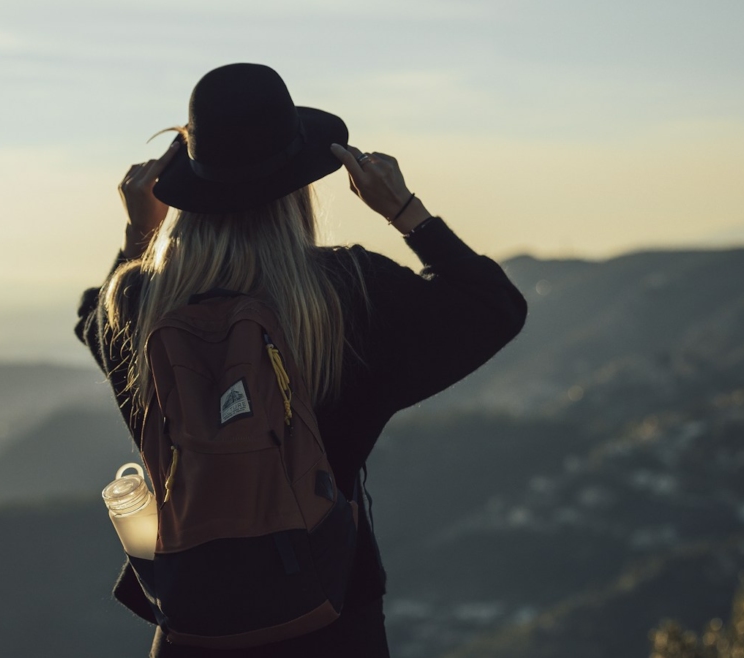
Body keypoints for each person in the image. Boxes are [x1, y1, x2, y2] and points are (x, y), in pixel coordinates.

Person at [75, 63, 528, 658]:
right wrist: (406, 212)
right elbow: (494, 307)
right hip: (333, 618)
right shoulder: (349, 294)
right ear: (299, 182)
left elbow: (93, 323)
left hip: (194, 624)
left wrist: (139, 237)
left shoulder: (136, 305)